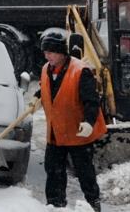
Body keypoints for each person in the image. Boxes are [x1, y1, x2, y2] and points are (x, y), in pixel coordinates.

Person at [28, 29, 107, 211]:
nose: (47, 56)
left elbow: (92, 101)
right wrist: (36, 97)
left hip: (78, 131)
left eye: (50, 52)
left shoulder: (80, 71)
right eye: (45, 52)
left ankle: (92, 205)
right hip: (56, 132)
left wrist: (88, 122)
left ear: (61, 52)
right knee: (53, 172)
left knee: (84, 172)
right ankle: (55, 205)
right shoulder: (46, 69)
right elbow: (47, 87)